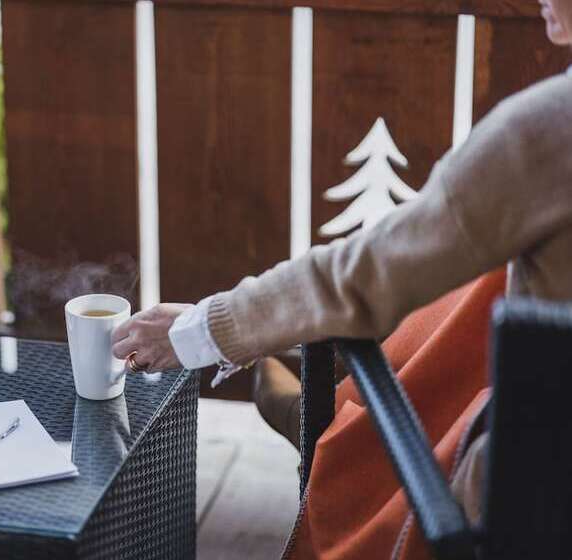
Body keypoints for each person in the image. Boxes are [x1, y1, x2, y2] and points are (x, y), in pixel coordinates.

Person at [111, 0, 572, 557]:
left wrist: (196, 330)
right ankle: (325, 405)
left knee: (455, 289)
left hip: (530, 497)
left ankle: (328, 421)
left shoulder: (551, 132)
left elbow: (362, 276)